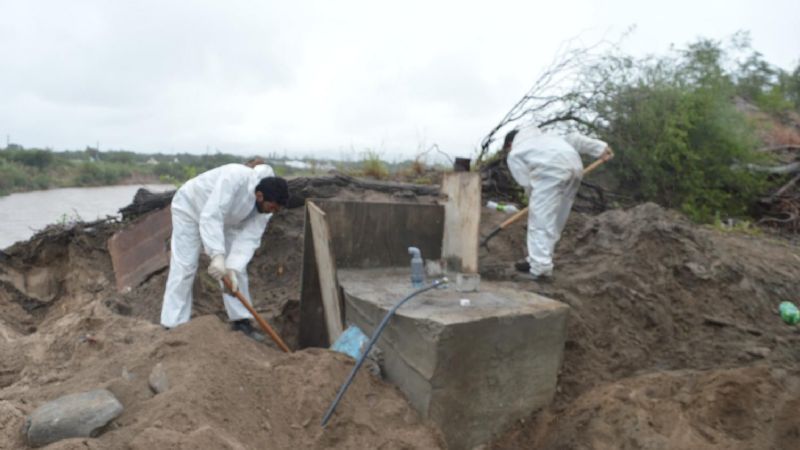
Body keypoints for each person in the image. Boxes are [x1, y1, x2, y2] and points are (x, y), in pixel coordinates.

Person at [160, 163, 289, 336]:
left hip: (227, 220)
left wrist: (232, 267)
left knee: (237, 271)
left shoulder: (266, 209)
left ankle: (241, 321)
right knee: (185, 267)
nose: (272, 212)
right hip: (190, 208)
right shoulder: (235, 177)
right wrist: (217, 255)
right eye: (272, 207)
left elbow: (248, 239)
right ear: (259, 196)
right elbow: (211, 215)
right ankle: (173, 324)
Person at [505, 122, 614, 280]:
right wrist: (600, 148)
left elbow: (526, 183)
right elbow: (574, 139)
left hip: (549, 171)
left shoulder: (515, 153)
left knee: (540, 221)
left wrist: (535, 202)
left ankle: (540, 268)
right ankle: (537, 260)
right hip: (574, 166)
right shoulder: (547, 137)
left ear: (510, 144)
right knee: (556, 219)